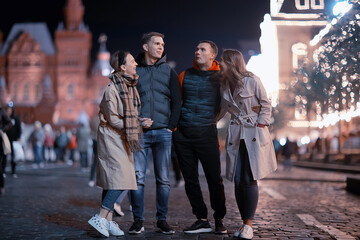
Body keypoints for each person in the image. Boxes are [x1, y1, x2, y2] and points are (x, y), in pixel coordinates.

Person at [218, 49, 277, 239]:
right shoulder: (224, 85)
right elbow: (223, 110)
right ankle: (244, 224)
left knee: (250, 178)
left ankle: (248, 225)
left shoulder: (252, 80)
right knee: (237, 179)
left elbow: (266, 104)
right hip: (236, 133)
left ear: (232, 62)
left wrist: (261, 124)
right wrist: (209, 122)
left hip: (253, 132)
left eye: (222, 61)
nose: (220, 63)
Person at [129, 32, 181, 235]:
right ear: (145, 46)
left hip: (163, 133)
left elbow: (177, 102)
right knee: (138, 178)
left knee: (164, 180)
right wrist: (137, 121)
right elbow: (128, 102)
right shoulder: (134, 70)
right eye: (156, 43)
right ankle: (137, 220)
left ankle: (162, 220)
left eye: (162, 44)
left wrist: (170, 127)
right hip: (140, 132)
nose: (161, 47)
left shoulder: (168, 71)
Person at [173, 40, 227, 234]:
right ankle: (202, 219)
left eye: (202, 49)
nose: (197, 51)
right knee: (190, 180)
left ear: (212, 55)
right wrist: (176, 129)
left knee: (215, 179)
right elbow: (177, 102)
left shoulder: (221, 77)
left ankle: (219, 218)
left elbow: (226, 104)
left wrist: (212, 120)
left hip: (207, 133)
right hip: (184, 135)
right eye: (196, 48)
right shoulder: (183, 75)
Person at [87, 50, 141, 237]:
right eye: (132, 61)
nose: (136, 64)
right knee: (119, 177)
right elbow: (113, 119)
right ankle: (100, 217)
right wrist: (139, 124)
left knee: (113, 180)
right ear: (123, 67)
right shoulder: (113, 88)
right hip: (112, 137)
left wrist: (137, 122)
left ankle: (108, 221)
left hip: (121, 137)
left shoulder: (128, 86)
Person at [4, 101, 21, 178]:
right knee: (4, 156)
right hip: (5, 140)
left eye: (10, 110)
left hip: (13, 140)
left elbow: (19, 129)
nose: (9, 111)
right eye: (8, 110)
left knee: (13, 157)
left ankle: (13, 171)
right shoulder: (4, 118)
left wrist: (18, 137)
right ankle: (3, 171)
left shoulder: (16, 119)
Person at [0, 105, 12, 195]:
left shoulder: (2, 112)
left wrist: (2, 130)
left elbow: (9, 123)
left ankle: (1, 185)